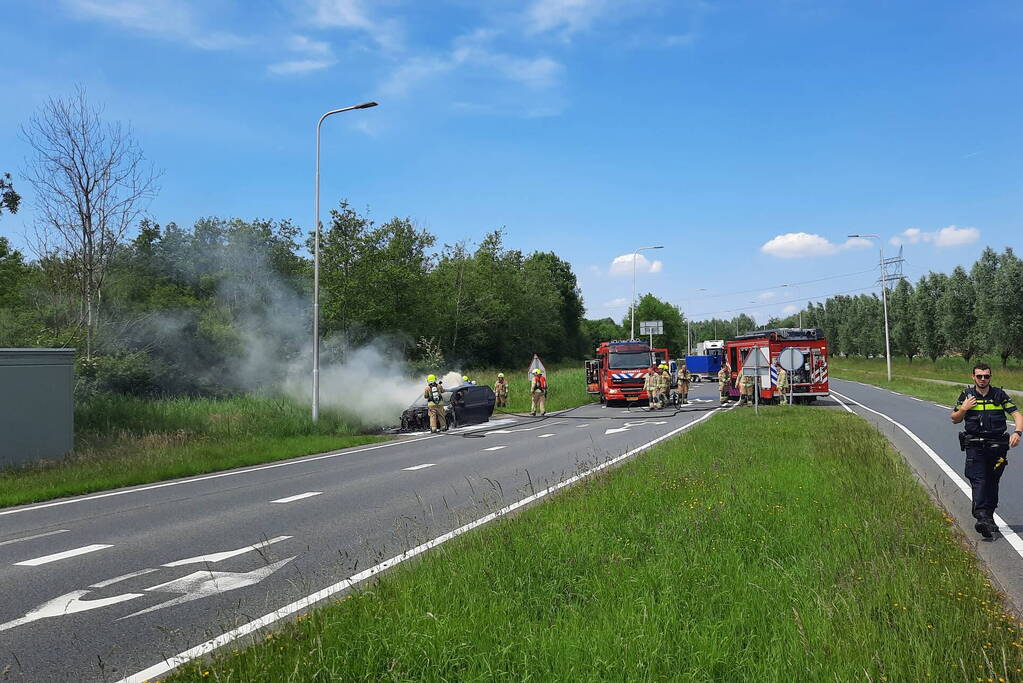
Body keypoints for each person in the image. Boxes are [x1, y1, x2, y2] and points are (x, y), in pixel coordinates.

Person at [951, 363, 1022, 538]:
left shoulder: (999, 395)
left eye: (986, 376)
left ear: (990, 377)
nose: (983, 379)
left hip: (997, 447)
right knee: (979, 480)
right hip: (975, 446)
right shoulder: (967, 395)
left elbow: (1017, 415)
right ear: (973, 377)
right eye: (979, 376)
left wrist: (1018, 432)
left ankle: (988, 518)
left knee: (992, 481)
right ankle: (981, 515)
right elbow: (954, 419)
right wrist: (963, 408)